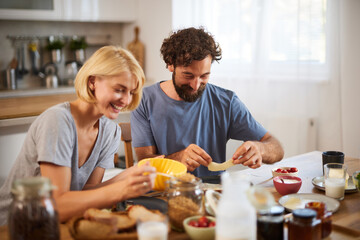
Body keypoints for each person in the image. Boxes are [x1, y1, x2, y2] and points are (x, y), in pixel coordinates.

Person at [0, 46, 156, 225]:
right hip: (14, 226)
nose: (127, 100)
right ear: (92, 82)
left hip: (52, 227)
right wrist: (120, 190)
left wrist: (130, 175)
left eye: (131, 92)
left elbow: (87, 192)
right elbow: (56, 206)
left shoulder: (110, 132)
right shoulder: (58, 121)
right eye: (119, 89)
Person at [131, 27, 284, 177]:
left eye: (204, 76)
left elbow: (276, 148)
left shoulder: (226, 102)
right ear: (171, 64)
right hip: (162, 192)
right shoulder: (144, 100)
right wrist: (178, 158)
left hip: (212, 193)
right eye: (188, 75)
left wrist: (260, 149)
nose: (196, 85)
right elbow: (144, 162)